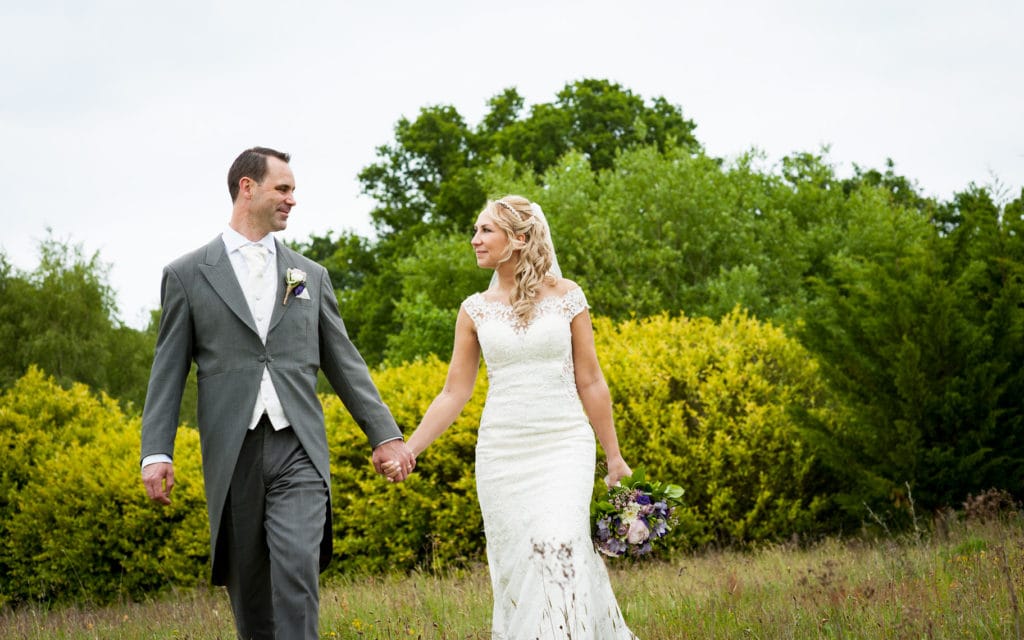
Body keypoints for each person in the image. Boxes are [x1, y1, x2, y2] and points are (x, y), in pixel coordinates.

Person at [140, 146, 416, 640]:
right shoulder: (186, 275)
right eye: (283, 189)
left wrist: (386, 436)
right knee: (249, 587)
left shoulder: (310, 275)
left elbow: (344, 362)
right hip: (234, 449)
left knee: (296, 568)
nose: (292, 199)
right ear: (248, 188)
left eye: (292, 190)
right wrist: (156, 451)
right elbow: (167, 370)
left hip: (298, 449)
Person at [385, 196, 638, 638]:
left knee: (559, 544)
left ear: (519, 239)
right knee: (519, 561)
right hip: (502, 452)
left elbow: (592, 381)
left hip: (563, 443)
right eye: (476, 230)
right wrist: (410, 448)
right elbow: (454, 391)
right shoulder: (474, 309)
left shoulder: (568, 296)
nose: (474, 239)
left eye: (486, 231)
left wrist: (614, 457)